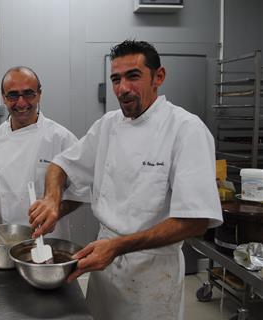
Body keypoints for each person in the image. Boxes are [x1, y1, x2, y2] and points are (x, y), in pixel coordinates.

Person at [29, 40, 223, 320]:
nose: (122, 89)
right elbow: (60, 165)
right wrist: (51, 199)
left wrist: (119, 246)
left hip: (153, 273)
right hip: (103, 266)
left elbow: (195, 220)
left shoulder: (186, 130)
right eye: (116, 79)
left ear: (159, 77)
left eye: (133, 76)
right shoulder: (107, 125)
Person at [0, 66, 87, 239]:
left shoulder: (61, 138)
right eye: (13, 95)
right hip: (5, 241)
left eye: (28, 94)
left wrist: (55, 211)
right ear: (4, 98)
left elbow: (82, 188)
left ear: (39, 94)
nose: (21, 103)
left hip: (50, 239)